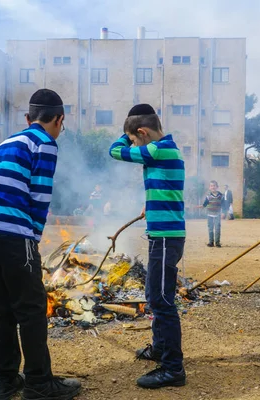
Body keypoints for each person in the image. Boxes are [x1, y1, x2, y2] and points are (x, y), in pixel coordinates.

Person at [0, 89, 81, 400]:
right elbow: (39, 197)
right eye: (62, 124)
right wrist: (33, 239)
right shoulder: (45, 143)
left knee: (0, 309)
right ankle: (39, 383)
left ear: (28, 118)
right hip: (12, 232)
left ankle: (3, 382)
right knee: (31, 309)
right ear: (58, 119)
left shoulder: (7, 142)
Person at [109, 104, 186, 389]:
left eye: (134, 138)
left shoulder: (157, 149)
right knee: (154, 294)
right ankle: (159, 348)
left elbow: (114, 151)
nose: (133, 143)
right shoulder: (164, 149)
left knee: (163, 301)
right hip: (162, 234)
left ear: (142, 132)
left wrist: (123, 135)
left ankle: (173, 368)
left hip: (166, 237)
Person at [199, 180, 223, 247]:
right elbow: (205, 204)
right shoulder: (208, 196)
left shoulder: (221, 195)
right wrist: (200, 206)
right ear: (209, 187)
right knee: (210, 229)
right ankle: (211, 242)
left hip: (218, 214)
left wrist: (224, 213)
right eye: (211, 186)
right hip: (210, 215)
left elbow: (223, 204)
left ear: (217, 187)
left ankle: (217, 242)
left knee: (217, 228)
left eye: (214, 186)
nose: (213, 187)